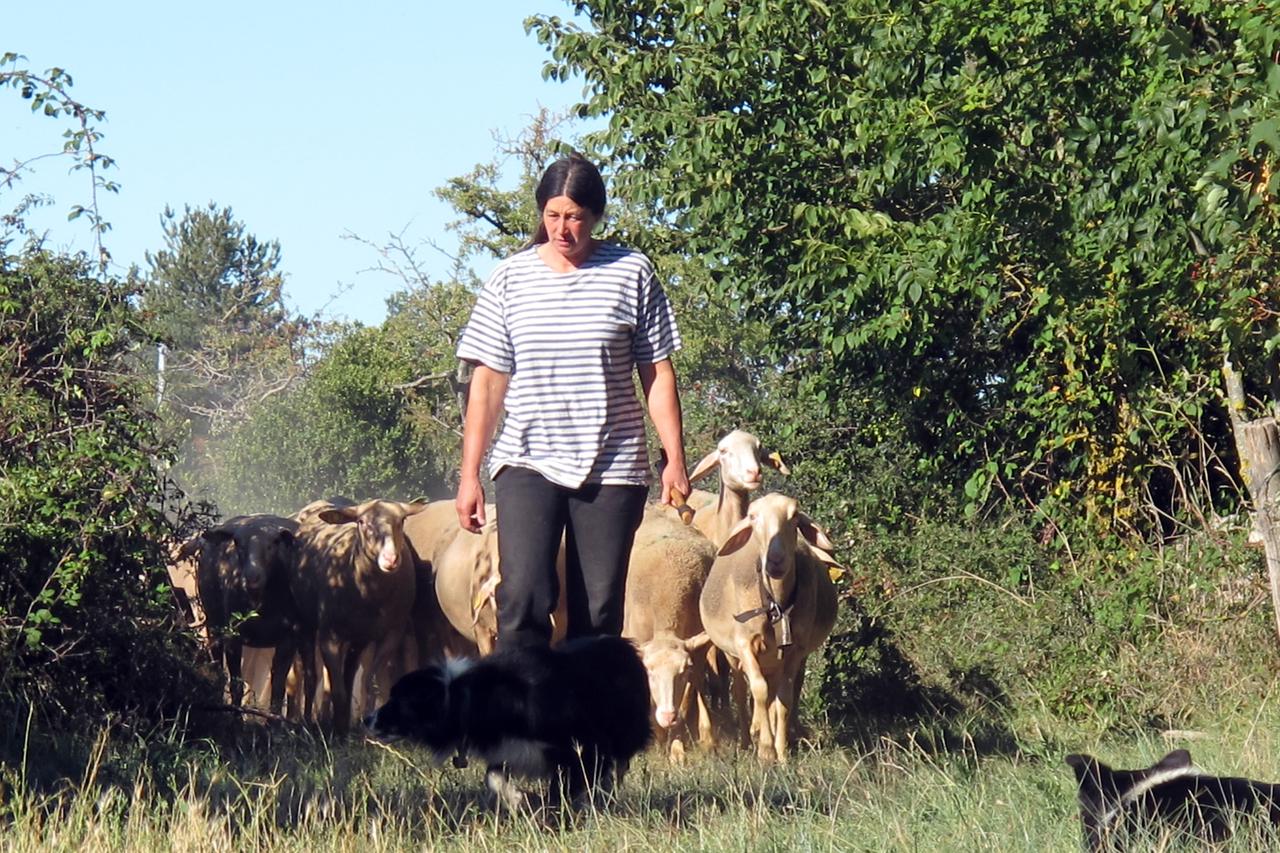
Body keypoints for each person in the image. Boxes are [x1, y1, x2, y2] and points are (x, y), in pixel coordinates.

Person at [454, 153, 689, 651]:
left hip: (612, 466)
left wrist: (674, 459)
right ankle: (526, 727)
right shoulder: (509, 279)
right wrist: (469, 474)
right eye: (553, 215)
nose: (563, 228)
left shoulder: (631, 272)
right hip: (527, 458)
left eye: (576, 216)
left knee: (598, 613)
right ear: (541, 214)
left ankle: (590, 728)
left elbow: (657, 372)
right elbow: (488, 383)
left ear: (596, 216)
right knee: (522, 598)